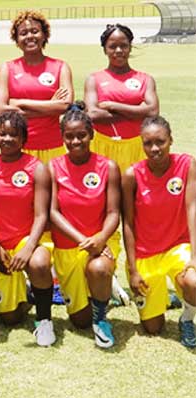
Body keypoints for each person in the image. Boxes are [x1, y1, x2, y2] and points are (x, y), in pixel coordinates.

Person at [48, 102, 121, 349]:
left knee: (99, 268)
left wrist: (100, 239)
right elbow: (52, 213)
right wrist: (84, 241)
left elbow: (113, 212)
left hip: (101, 243)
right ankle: (97, 293)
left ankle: (101, 318)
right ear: (62, 138)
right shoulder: (53, 167)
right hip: (70, 247)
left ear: (91, 134)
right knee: (79, 321)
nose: (76, 141)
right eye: (69, 136)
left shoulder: (107, 167)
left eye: (81, 135)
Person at [122, 116, 196, 347]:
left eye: (160, 142)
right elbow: (127, 223)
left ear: (170, 140)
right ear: (141, 144)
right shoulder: (132, 175)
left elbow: (193, 208)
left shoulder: (187, 164)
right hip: (145, 254)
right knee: (153, 328)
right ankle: (164, 296)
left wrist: (194, 256)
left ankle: (187, 318)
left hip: (177, 246)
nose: (154, 148)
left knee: (194, 282)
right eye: (148, 143)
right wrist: (133, 270)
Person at [0, 111, 56, 346]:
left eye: (13, 135)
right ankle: (28, 292)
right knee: (10, 319)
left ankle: (44, 321)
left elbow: (42, 215)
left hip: (31, 239)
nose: (7, 139)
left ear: (24, 139)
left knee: (39, 263)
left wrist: (28, 247)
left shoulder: (36, 168)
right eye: (2, 134)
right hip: (0, 244)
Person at [0, 10, 73, 164]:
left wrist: (19, 103)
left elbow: (64, 105)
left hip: (52, 146)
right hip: (18, 148)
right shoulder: (7, 68)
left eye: (35, 31)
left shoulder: (60, 67)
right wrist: (50, 106)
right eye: (23, 33)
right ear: (16, 39)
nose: (30, 36)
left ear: (44, 35)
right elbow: (0, 110)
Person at [85, 24, 159, 173]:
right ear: (105, 49)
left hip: (136, 145)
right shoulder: (94, 79)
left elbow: (153, 113)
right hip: (103, 145)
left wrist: (113, 105)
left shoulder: (145, 79)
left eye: (123, 46)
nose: (118, 51)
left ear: (130, 47)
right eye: (113, 46)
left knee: (133, 192)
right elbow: (93, 115)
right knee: (104, 193)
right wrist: (137, 112)